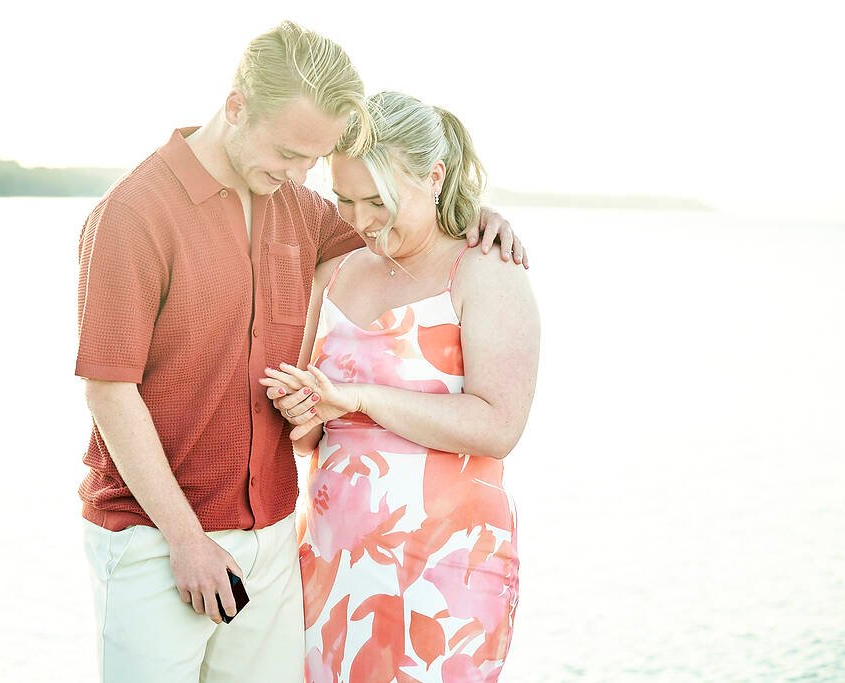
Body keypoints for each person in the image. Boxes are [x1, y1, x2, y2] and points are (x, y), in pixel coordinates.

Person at [75, 23, 527, 683]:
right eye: (288, 152)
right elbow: (108, 391)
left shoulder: (299, 206)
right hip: (156, 540)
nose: (297, 175)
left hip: (276, 541)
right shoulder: (134, 215)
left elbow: (404, 222)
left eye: (312, 162)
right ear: (236, 107)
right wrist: (185, 538)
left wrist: (477, 216)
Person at [261, 91, 540, 682]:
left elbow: (499, 427)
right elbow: (307, 438)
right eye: (345, 199)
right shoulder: (332, 273)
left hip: (448, 567)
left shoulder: (485, 270)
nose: (361, 220)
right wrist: (302, 410)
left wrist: (360, 398)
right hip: (333, 556)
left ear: (434, 178)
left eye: (378, 201)